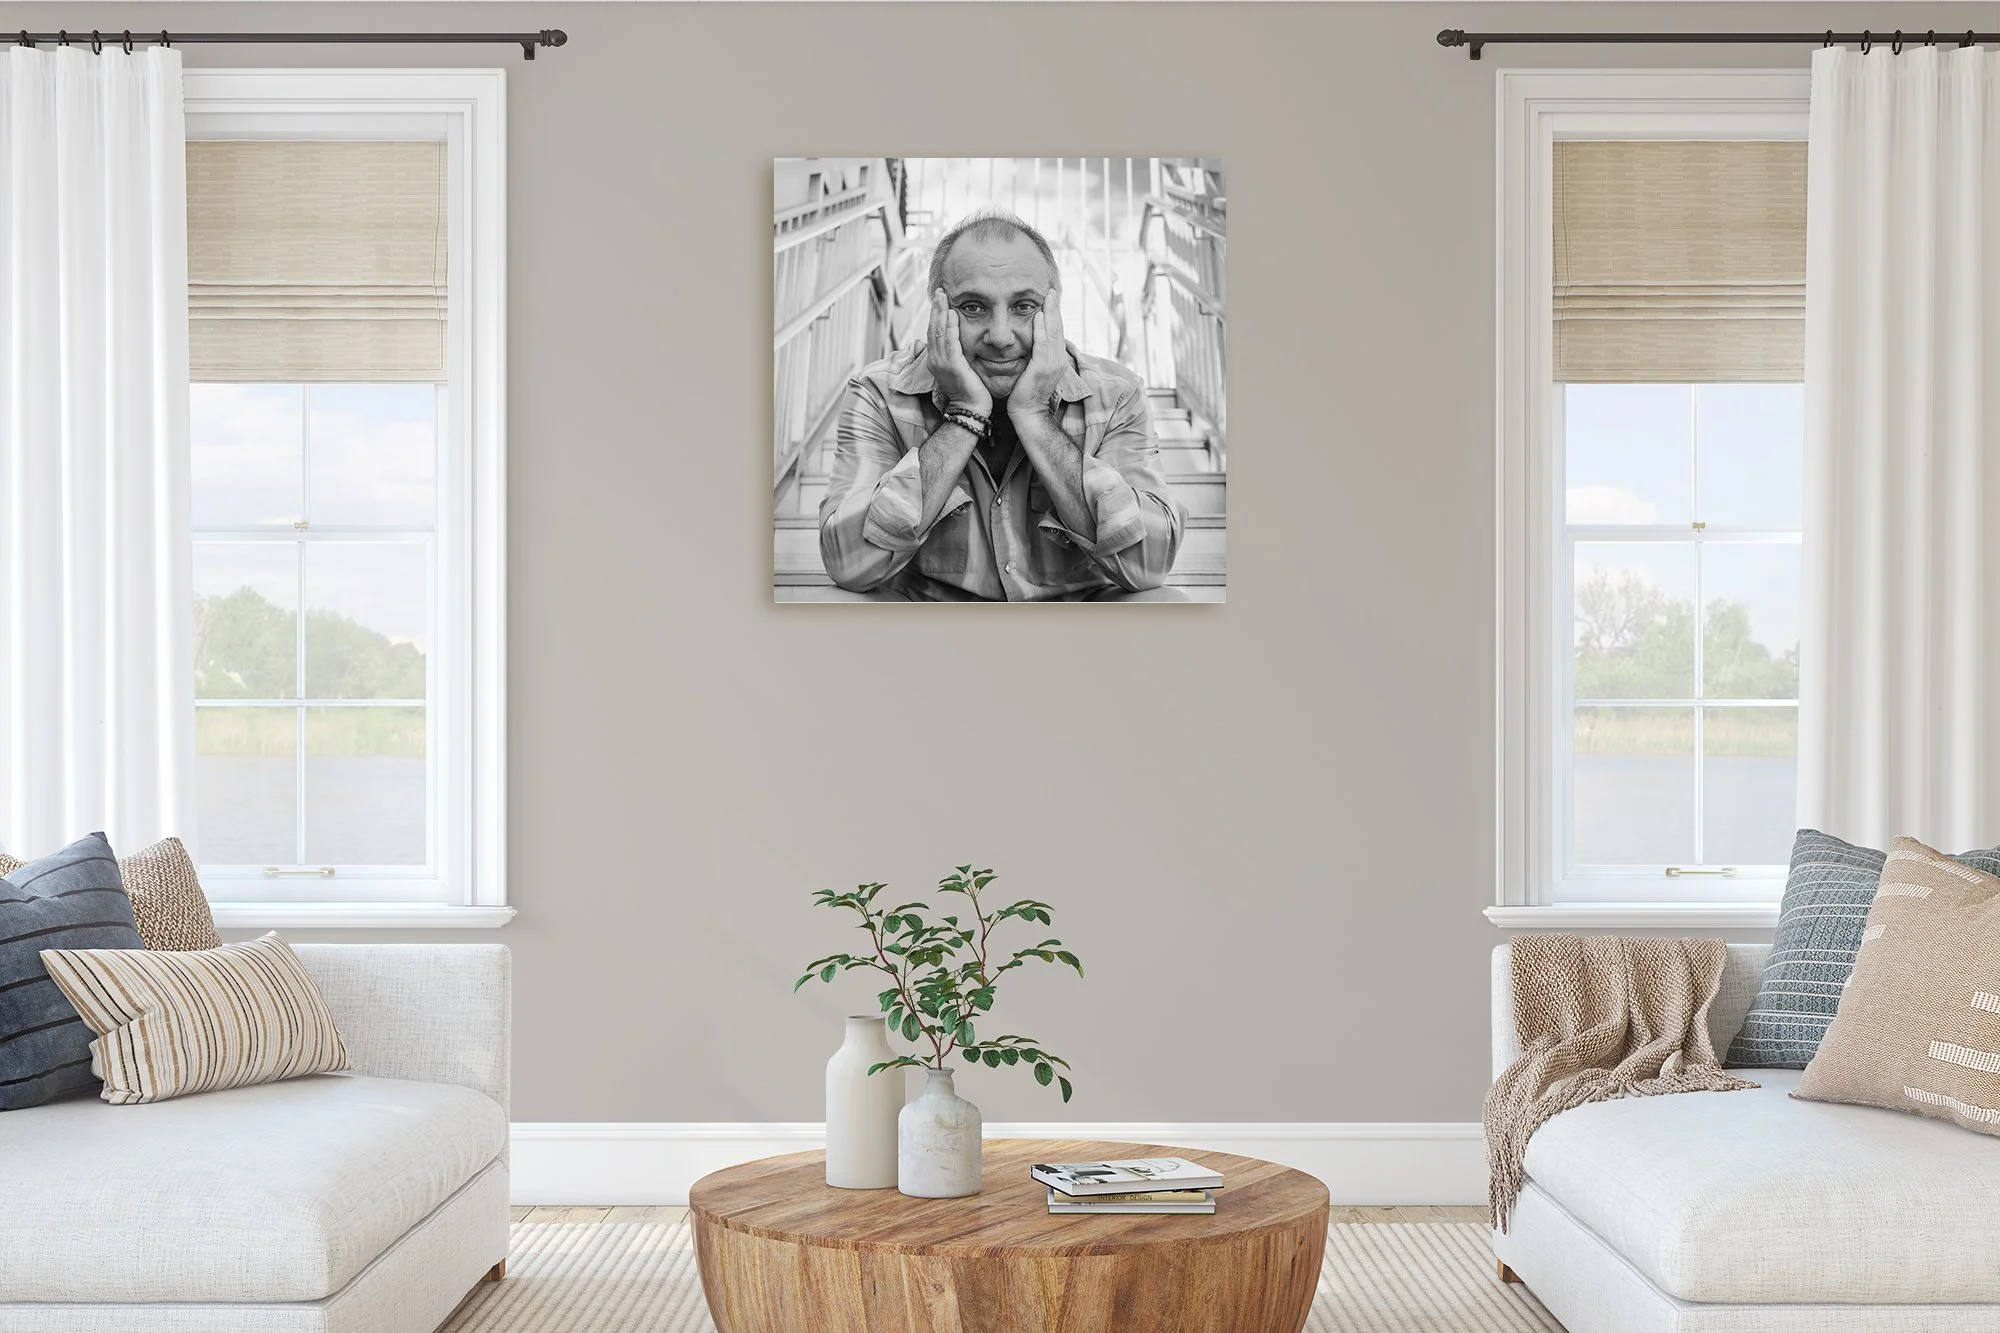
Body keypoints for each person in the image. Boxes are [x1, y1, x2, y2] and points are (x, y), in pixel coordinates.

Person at [817, 210, 1185, 601]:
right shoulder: (879, 393)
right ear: (939, 312)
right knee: (832, 603)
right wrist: (963, 414)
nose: (1001, 336)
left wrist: (1035, 418)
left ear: (1053, 312)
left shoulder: (1116, 396)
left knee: (1167, 604)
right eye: (973, 307)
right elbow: (848, 564)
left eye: (1024, 306)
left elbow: (1149, 563)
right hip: (934, 636)